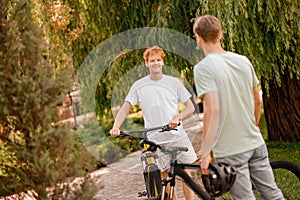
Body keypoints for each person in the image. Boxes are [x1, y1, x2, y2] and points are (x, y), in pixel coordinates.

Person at [193, 15, 284, 199]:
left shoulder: (203, 68)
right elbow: (257, 99)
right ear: (220, 35)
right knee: (272, 194)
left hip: (231, 149)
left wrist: (205, 152)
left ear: (198, 38)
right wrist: (254, 126)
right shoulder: (243, 60)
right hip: (255, 142)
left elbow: (212, 109)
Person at [110, 46, 197, 200]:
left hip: (177, 136)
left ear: (163, 62)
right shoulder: (139, 85)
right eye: (152, 60)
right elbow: (126, 107)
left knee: (185, 175)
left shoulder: (173, 83)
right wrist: (116, 126)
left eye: (158, 60)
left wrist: (177, 117)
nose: (155, 63)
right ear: (146, 64)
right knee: (165, 179)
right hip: (156, 140)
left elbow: (190, 107)